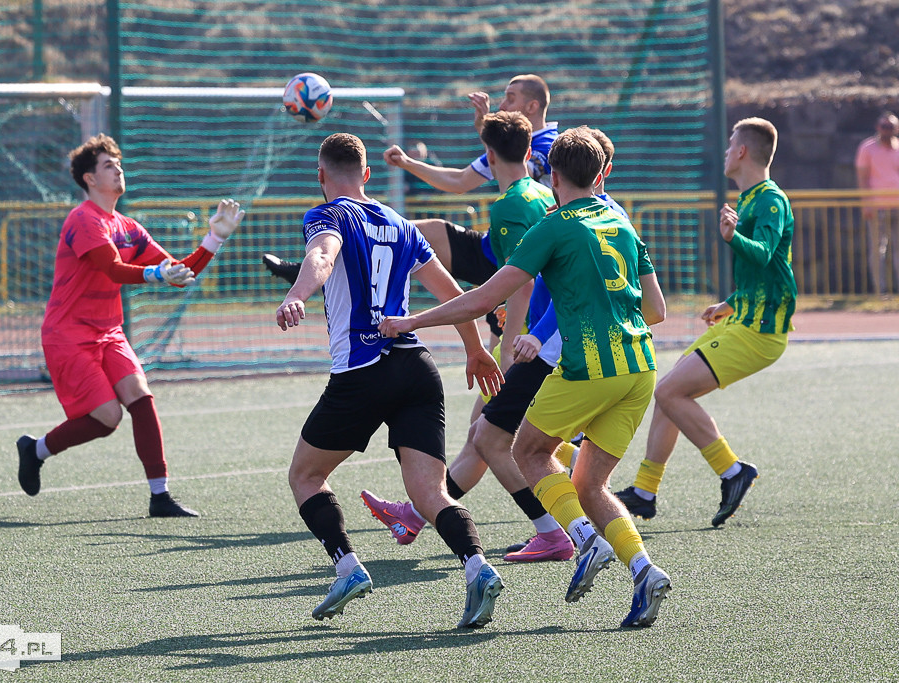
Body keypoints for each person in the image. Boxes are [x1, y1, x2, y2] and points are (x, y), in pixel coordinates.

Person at [379, 126, 672, 628]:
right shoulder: (624, 223)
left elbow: (484, 298)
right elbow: (656, 309)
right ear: (601, 174)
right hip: (640, 368)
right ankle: (644, 570)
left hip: (590, 368)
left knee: (525, 450)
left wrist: (411, 321)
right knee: (592, 483)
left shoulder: (553, 226)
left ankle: (583, 541)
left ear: (552, 174)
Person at [276, 132, 505, 628]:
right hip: (416, 368)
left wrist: (297, 293)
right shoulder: (400, 224)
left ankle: (347, 566)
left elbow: (322, 255)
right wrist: (475, 348)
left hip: (363, 372)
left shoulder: (328, 215)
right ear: (368, 175)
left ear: (322, 177)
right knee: (430, 493)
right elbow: (450, 290)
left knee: (306, 476)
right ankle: (478, 567)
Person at [15, 133, 244, 517]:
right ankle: (35, 449)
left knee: (141, 396)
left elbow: (178, 272)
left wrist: (214, 238)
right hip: (68, 335)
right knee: (108, 418)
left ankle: (160, 496)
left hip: (109, 332)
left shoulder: (129, 226)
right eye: (108, 165)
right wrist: (158, 273)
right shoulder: (83, 219)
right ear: (89, 178)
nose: (118, 169)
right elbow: (113, 269)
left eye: (118, 163)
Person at [615, 117, 796, 528]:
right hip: (744, 320)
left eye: (731, 142)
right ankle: (644, 491)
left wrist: (735, 238)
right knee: (669, 392)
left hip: (761, 331)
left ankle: (733, 471)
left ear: (742, 152)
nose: (727, 148)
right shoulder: (752, 199)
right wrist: (729, 303)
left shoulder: (769, 200)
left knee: (670, 392)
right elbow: (766, 274)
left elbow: (765, 255)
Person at [262, 74, 558, 295]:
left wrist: (486, 128)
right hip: (497, 245)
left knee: (510, 345)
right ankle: (313, 273)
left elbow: (519, 176)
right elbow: (459, 181)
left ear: (532, 106)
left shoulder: (548, 146)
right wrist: (407, 162)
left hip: (533, 256)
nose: (502, 104)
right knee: (406, 234)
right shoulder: (515, 145)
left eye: (510, 98)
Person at [855, 111, 899, 294]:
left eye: (890, 127)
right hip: (877, 206)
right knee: (877, 250)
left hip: (897, 206)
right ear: (877, 128)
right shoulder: (867, 148)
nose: (887, 130)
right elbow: (863, 178)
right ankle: (880, 291)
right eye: (884, 126)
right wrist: (867, 204)